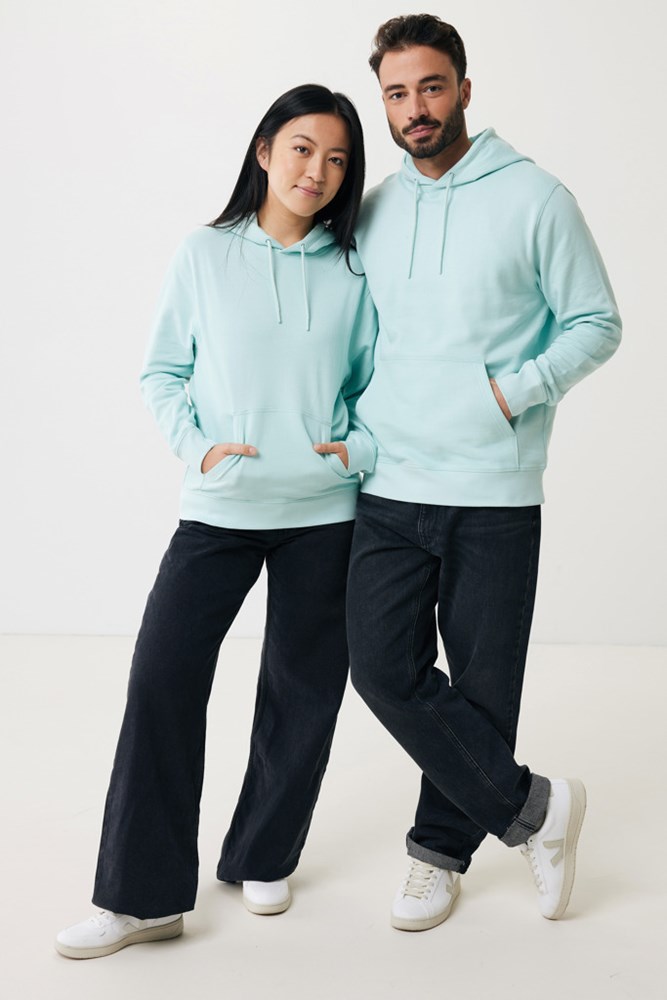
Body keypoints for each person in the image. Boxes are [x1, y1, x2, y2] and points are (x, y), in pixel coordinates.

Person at [55, 83, 377, 959]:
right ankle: (141, 897)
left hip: (324, 511)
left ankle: (262, 855)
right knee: (162, 679)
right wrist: (197, 449)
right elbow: (162, 371)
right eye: (303, 148)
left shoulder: (354, 270)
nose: (317, 171)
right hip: (222, 506)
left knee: (303, 690)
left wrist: (356, 449)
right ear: (264, 150)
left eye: (337, 158)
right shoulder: (204, 253)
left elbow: (377, 382)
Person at [346, 14, 621, 931]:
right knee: (380, 667)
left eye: (430, 87)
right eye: (396, 93)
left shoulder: (536, 197)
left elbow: (595, 322)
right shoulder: (374, 210)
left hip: (493, 488)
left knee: (480, 685)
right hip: (390, 482)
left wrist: (511, 395)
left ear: (464, 88)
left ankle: (437, 852)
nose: (414, 108)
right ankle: (536, 809)